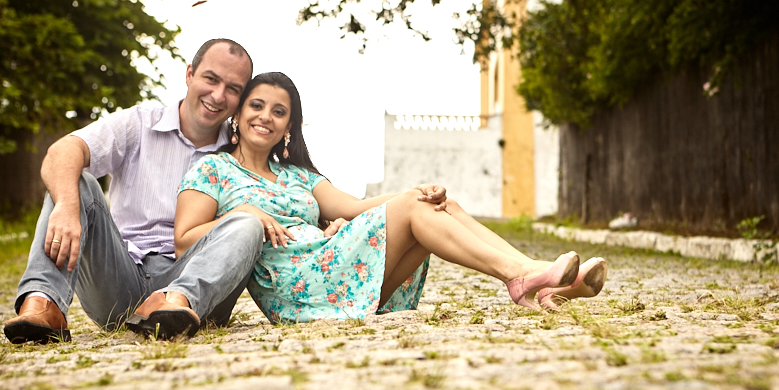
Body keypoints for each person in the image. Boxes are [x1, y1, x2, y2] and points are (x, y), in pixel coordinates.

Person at [170, 72, 607, 325]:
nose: (266, 116)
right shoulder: (213, 168)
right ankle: (523, 277)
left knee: (437, 203)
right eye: (257, 106)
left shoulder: (299, 176)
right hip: (293, 287)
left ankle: (541, 281)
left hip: (334, 268)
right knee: (415, 208)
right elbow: (185, 239)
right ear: (239, 114)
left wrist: (417, 191)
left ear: (289, 128)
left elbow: (357, 209)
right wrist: (246, 213)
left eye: (278, 111)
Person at [4, 39, 264, 343]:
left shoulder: (242, 151)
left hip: (197, 291)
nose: (218, 95)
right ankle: (43, 302)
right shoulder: (138, 124)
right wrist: (66, 206)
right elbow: (63, 151)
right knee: (76, 182)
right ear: (190, 74)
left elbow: (293, 192)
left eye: (233, 89)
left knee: (248, 223)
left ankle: (176, 303)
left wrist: (330, 223)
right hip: (120, 280)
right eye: (211, 79)